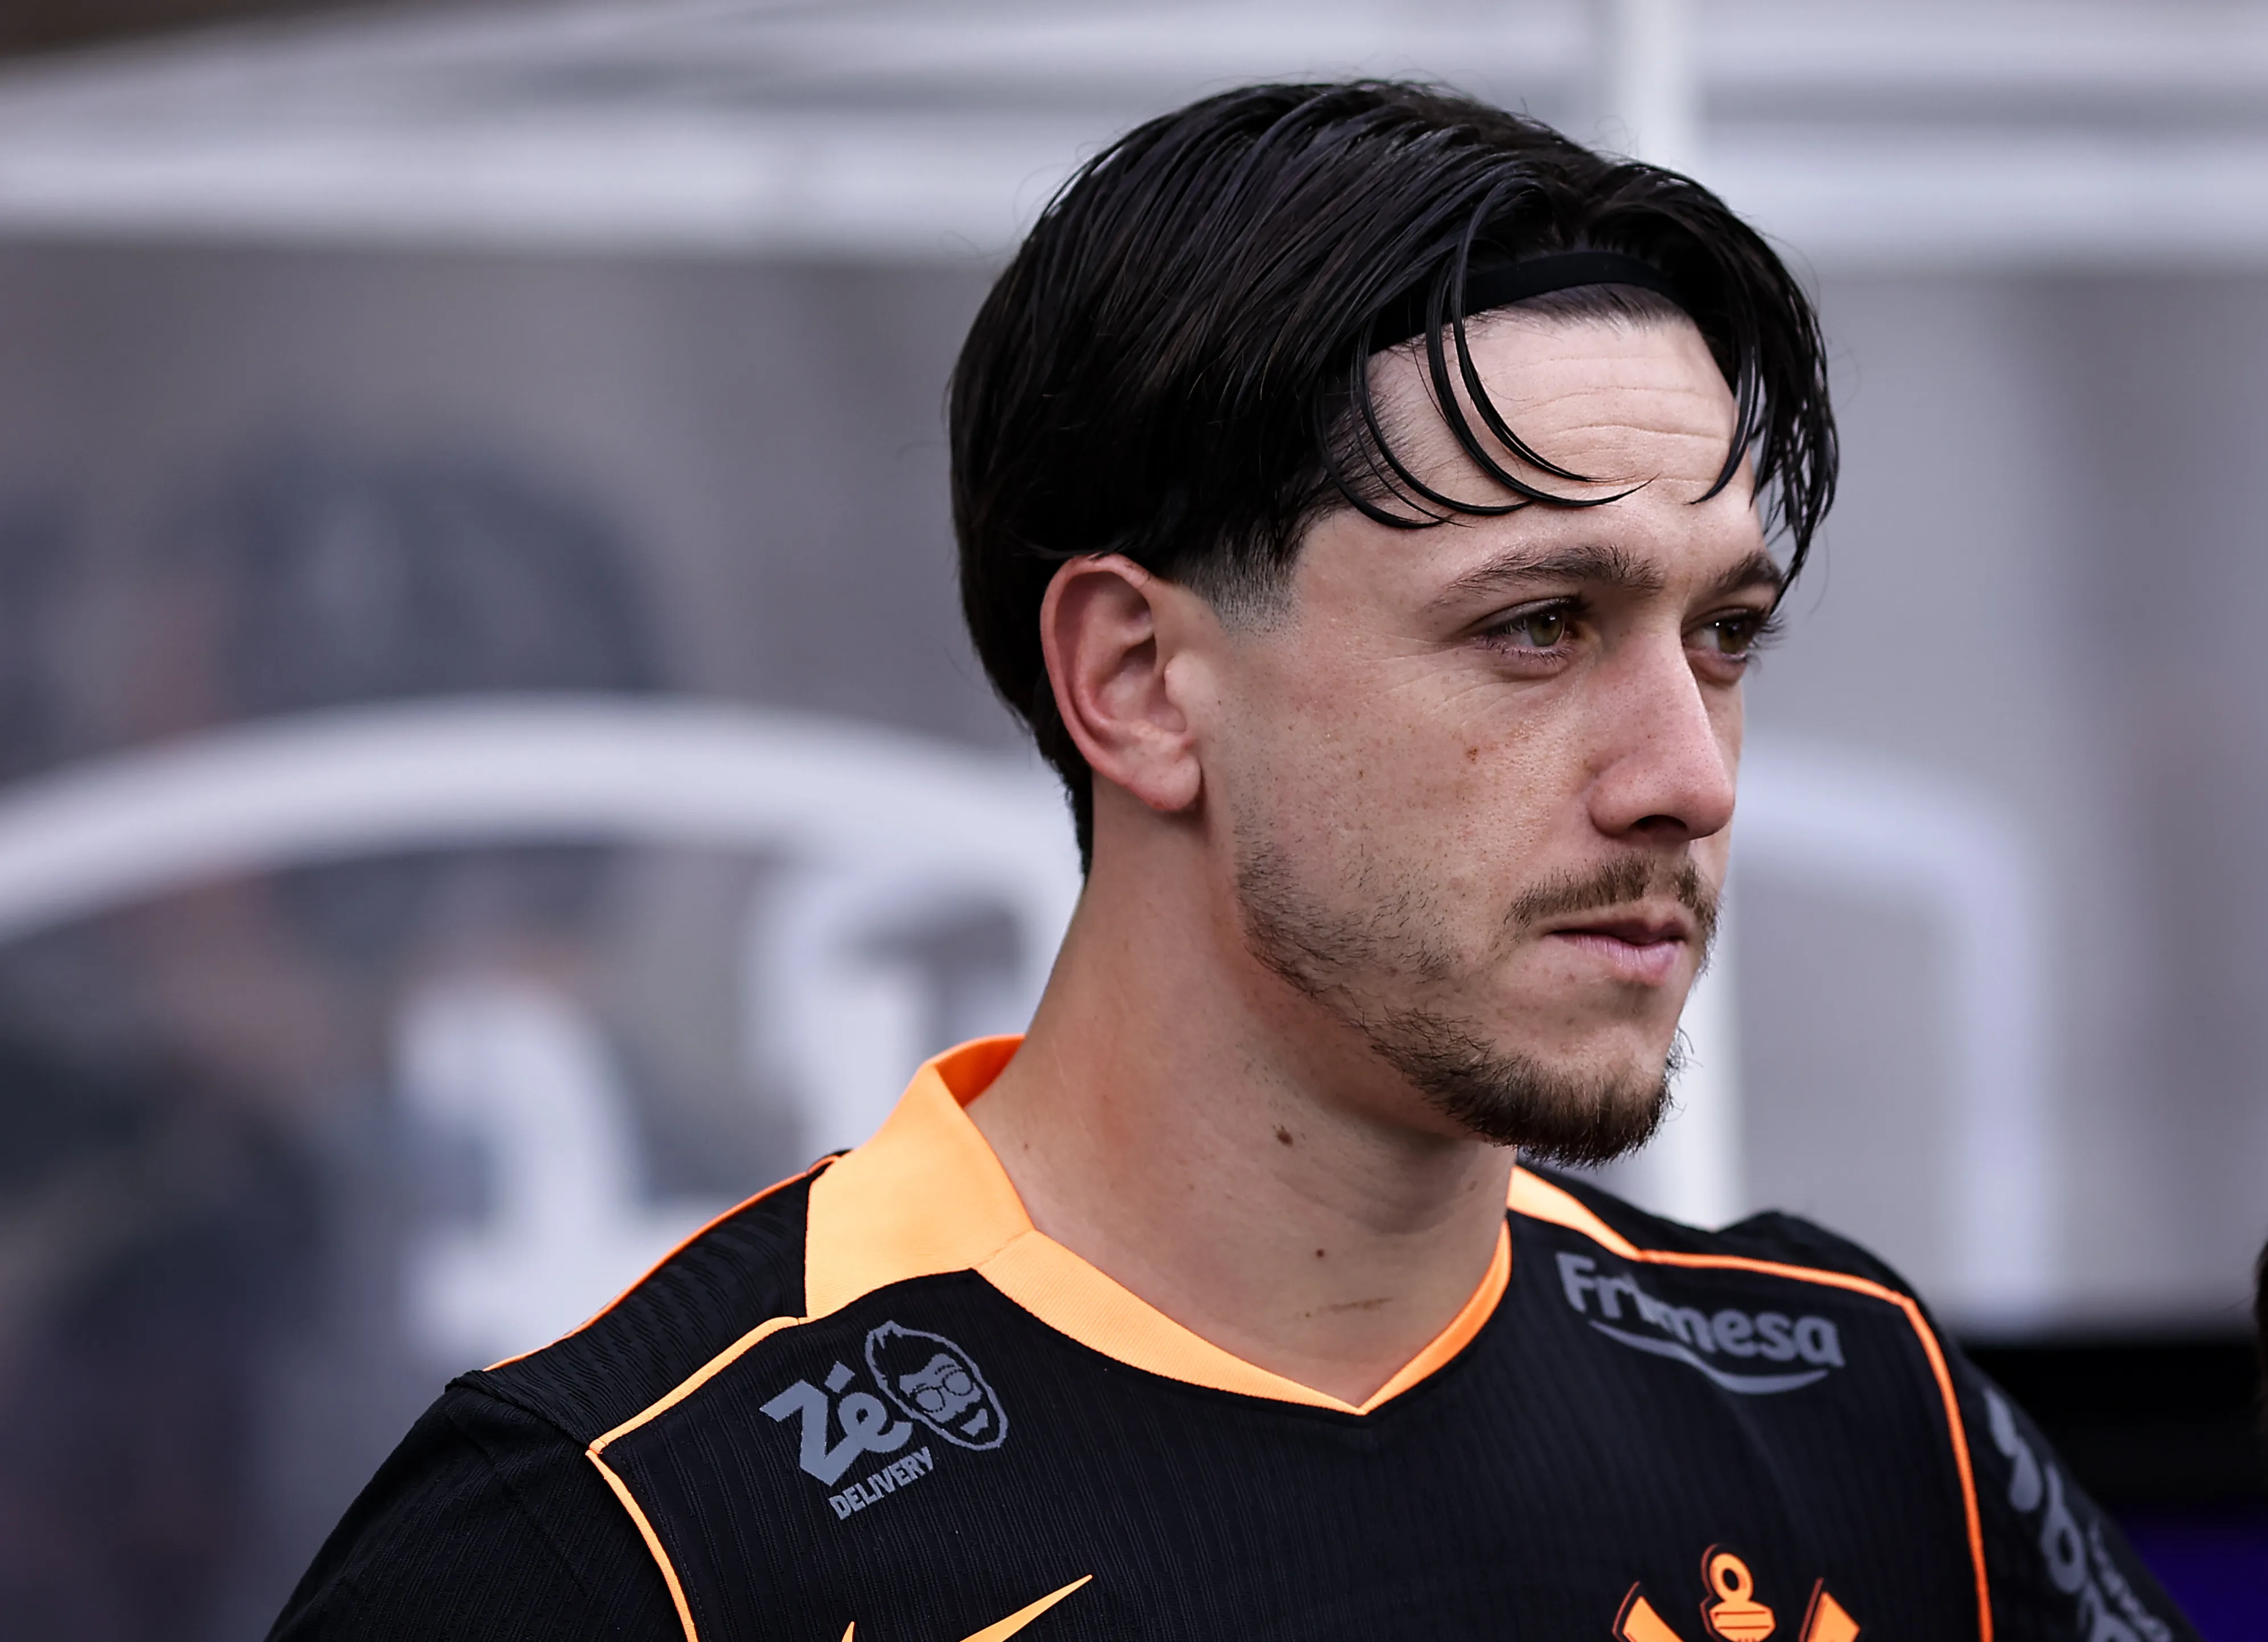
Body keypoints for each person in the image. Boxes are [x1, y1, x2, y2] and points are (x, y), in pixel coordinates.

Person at [268, 82, 2197, 1642]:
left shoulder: (1854, 1410)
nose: (1685, 775)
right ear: (1136, 682)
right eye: (1535, 625)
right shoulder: (618, 1540)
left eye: (1722, 637)